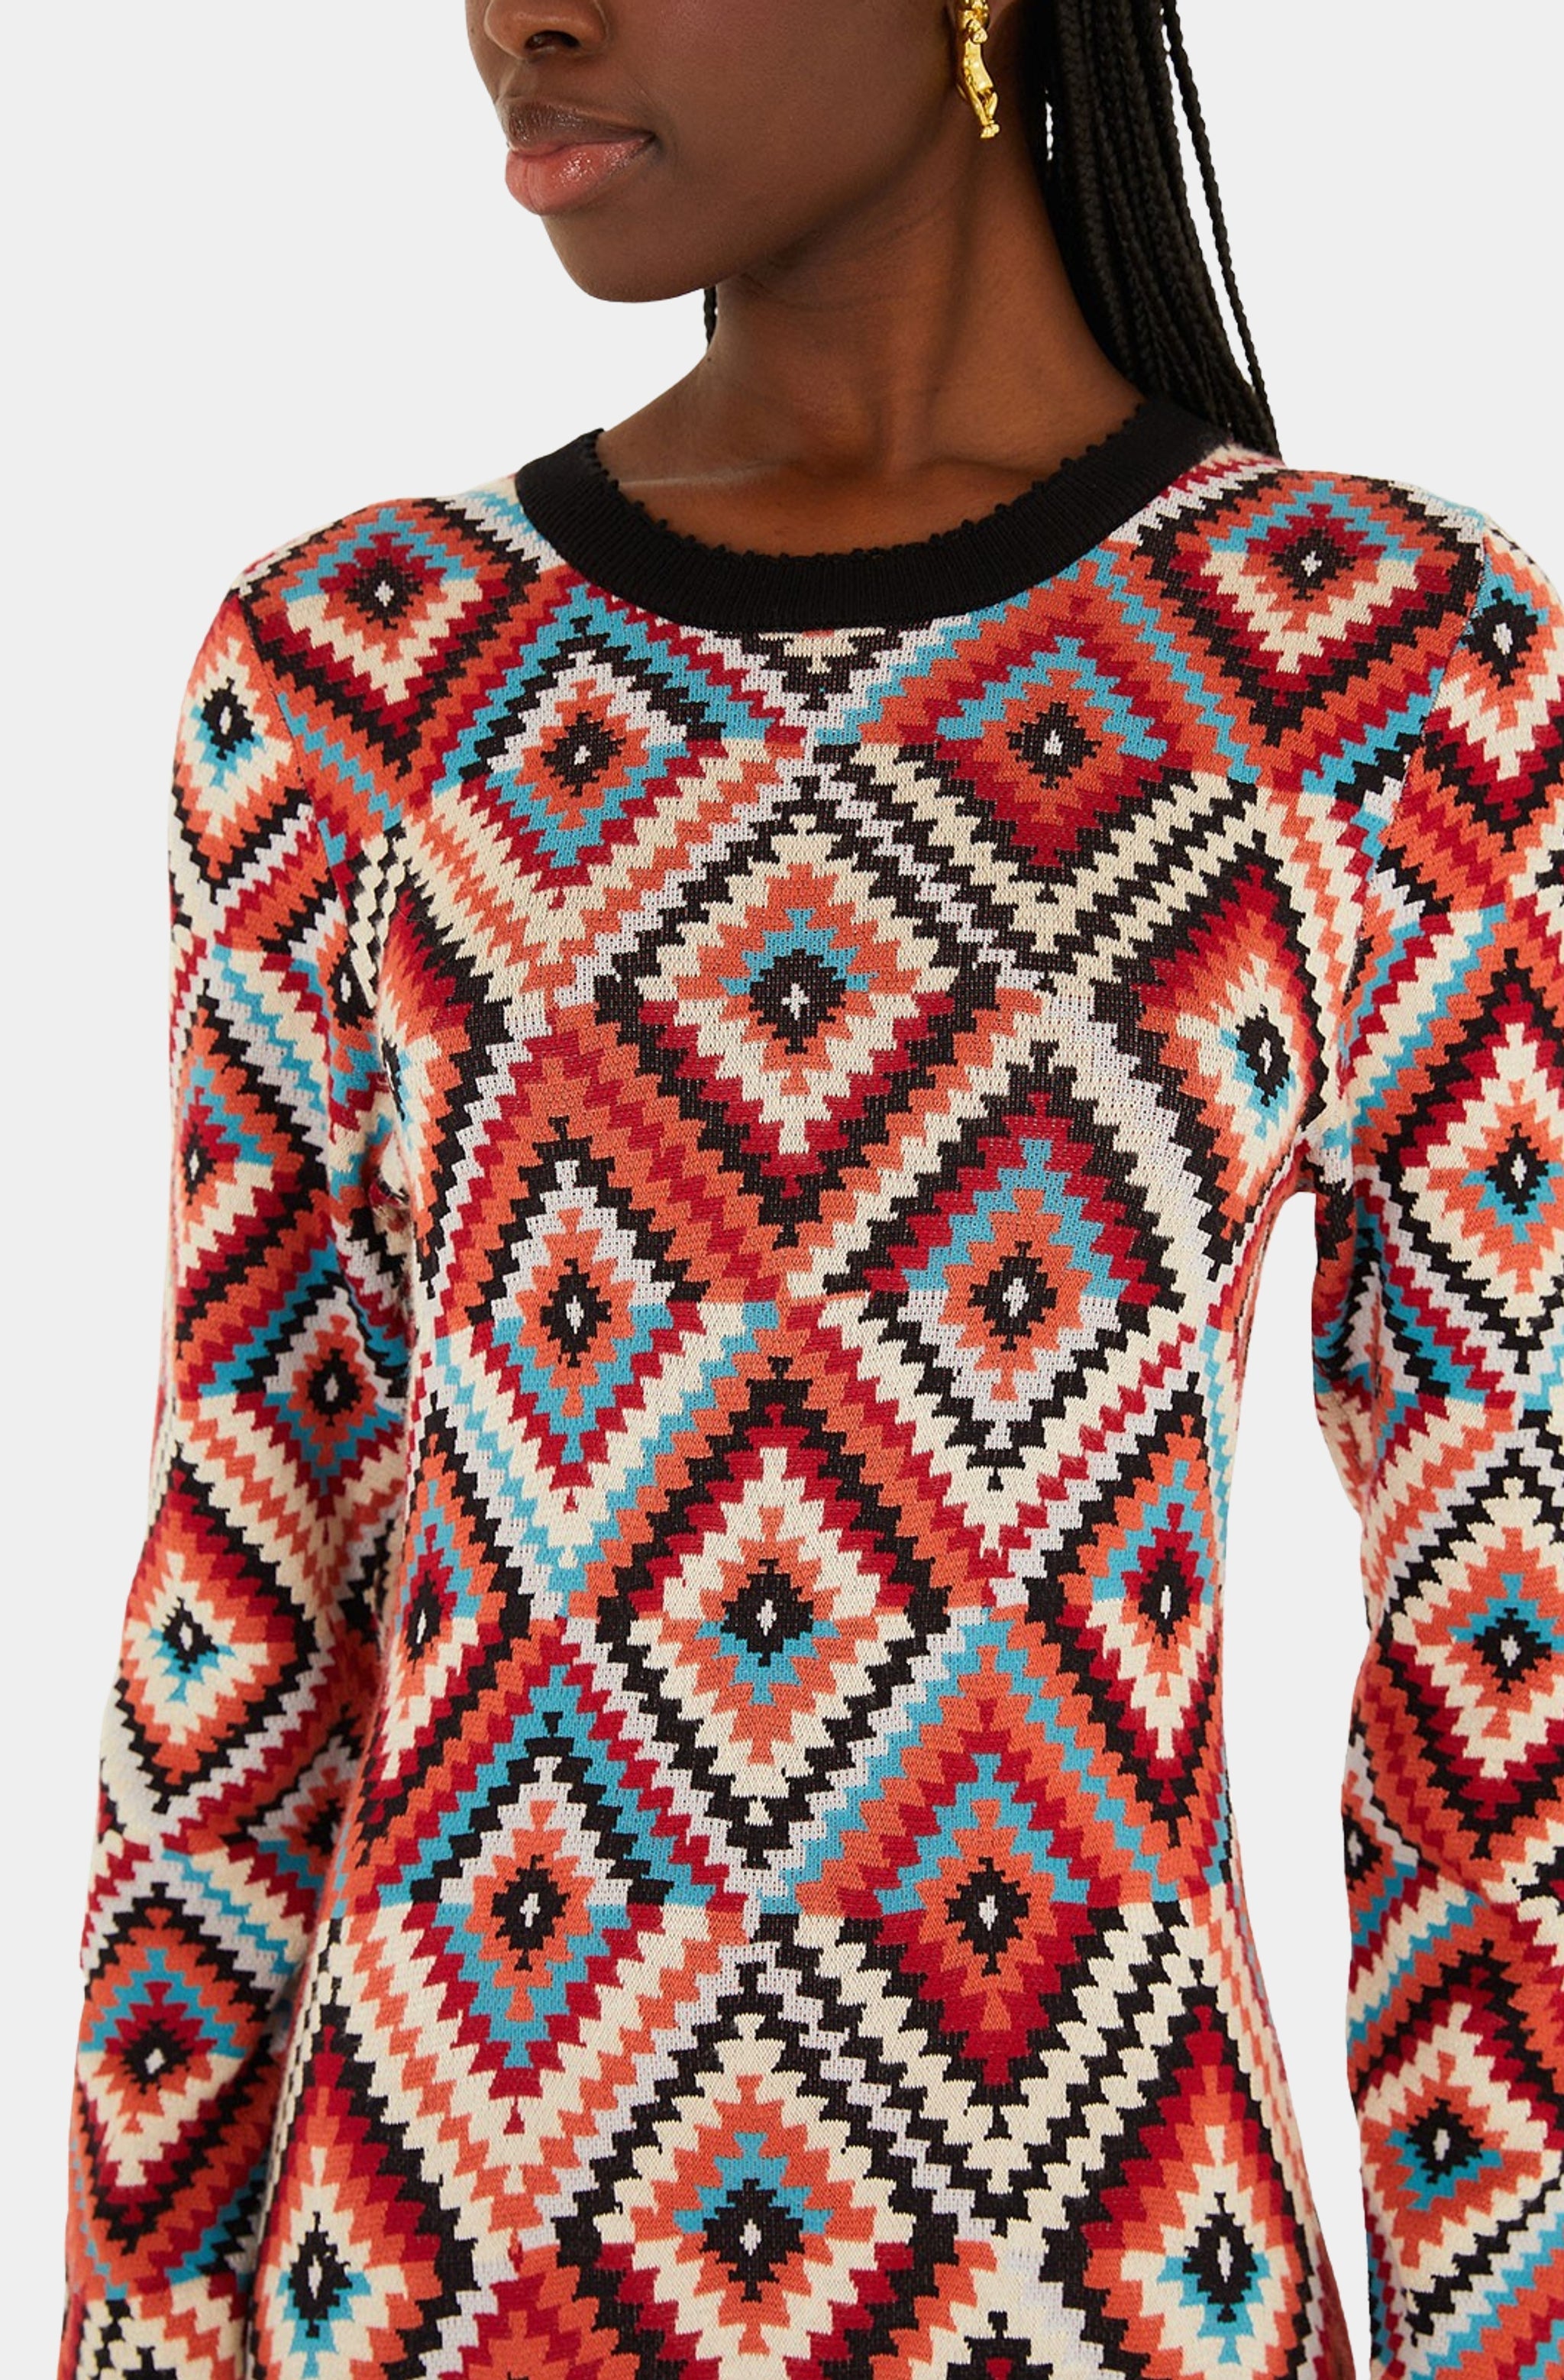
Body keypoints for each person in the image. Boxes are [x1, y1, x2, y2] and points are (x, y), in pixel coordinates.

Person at [57, 3, 1564, 2375]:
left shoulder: (1388, 663)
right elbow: (243, 1596)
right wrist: (143, 2327)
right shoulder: (352, 669)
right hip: (430, 2297)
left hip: (1105, 2297)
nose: (522, 16)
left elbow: (1510, 1664)